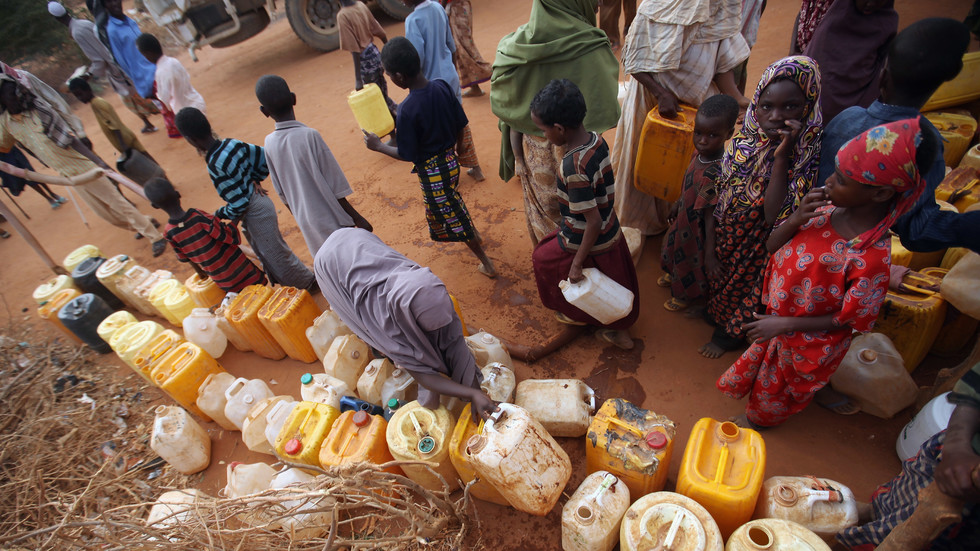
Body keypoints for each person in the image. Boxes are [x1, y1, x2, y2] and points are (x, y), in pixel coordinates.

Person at [717, 118, 933, 429]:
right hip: (777, 320)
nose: (829, 182)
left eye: (842, 180)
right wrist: (795, 218)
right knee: (780, 374)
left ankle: (759, 420)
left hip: (806, 338)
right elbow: (771, 245)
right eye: (835, 172)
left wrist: (785, 324)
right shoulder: (823, 209)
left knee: (779, 386)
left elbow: (850, 320)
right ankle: (807, 391)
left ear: (880, 194)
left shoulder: (869, 258)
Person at [817, 18, 980, 256]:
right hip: (850, 257)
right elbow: (915, 230)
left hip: (806, 237)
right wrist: (966, 228)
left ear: (883, 76)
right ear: (953, 74)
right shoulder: (922, 146)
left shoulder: (847, 118)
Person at [701, 56, 823, 359]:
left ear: (808, 105)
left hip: (756, 248)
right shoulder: (744, 142)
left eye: (790, 107)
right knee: (719, 280)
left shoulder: (803, 156)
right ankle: (714, 316)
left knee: (742, 291)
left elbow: (772, 218)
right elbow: (720, 192)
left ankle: (726, 336)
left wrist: (782, 156)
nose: (775, 116)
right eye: (766, 106)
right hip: (726, 230)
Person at [314, 227, 498, 422]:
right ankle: (382, 349)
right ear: (409, 321)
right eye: (431, 331)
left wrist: (476, 390)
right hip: (331, 266)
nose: (439, 333)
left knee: (429, 340)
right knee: (376, 335)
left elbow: (453, 340)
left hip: (358, 240)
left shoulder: (431, 290)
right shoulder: (390, 324)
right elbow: (425, 377)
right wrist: (471, 394)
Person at [612, 0, 750, 240]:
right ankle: (643, 226)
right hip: (653, 103)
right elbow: (634, 60)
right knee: (645, 164)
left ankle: (681, 227)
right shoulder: (655, 7)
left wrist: (737, 99)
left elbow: (721, 64)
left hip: (699, 109)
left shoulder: (719, 6)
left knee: (692, 172)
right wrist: (660, 93)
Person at [363, 37, 496, 278]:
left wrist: (378, 146)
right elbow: (460, 122)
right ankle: (473, 233)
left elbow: (407, 153)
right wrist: (454, 150)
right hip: (451, 162)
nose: (391, 80)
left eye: (390, 75)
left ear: (400, 77)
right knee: (453, 203)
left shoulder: (406, 109)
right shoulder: (441, 86)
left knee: (452, 214)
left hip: (433, 173)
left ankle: (486, 262)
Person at [491, 0, 620, 245]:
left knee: (546, 209)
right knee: (585, 206)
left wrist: (519, 158)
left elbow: (508, 105)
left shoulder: (517, 46)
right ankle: (579, 258)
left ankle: (553, 257)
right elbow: (604, 100)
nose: (597, 4)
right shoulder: (593, 44)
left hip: (536, 152)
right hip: (581, 148)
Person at [0, 75, 166, 256]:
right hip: (67, 175)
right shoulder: (6, 123)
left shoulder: (39, 111)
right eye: (9, 95)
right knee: (106, 215)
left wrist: (98, 162)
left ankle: (155, 236)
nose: (15, 96)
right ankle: (145, 222)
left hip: (85, 167)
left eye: (14, 92)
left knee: (119, 205)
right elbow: (4, 146)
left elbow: (72, 140)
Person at [529, 79, 639, 350]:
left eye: (543, 130)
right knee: (615, 280)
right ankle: (620, 332)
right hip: (610, 228)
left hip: (588, 234)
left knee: (542, 258)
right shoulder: (596, 140)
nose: (544, 136)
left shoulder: (572, 166)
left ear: (558, 129)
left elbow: (591, 221)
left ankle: (577, 313)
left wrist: (577, 264)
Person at [837, 361, 980, 548]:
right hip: (961, 451)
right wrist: (957, 446)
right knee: (904, 496)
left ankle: (866, 538)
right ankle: (874, 514)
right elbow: (972, 393)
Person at [174, 107, 317, 291]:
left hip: (254, 210)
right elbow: (262, 158)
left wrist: (220, 214)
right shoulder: (230, 144)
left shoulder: (215, 164)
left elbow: (239, 203)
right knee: (269, 251)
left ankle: (309, 284)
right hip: (260, 203)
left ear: (190, 140)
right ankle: (299, 284)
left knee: (276, 254)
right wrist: (254, 178)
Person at [255, 75, 373, 258]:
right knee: (354, 259)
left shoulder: (269, 143)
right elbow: (336, 186)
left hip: (308, 225)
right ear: (294, 98)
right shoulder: (310, 136)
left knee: (333, 266)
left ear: (264, 111)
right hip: (334, 219)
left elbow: (282, 194)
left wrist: (303, 219)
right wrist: (357, 218)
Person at [659, 94, 739, 313]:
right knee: (672, 247)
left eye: (712, 135)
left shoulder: (714, 171)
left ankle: (684, 296)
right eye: (699, 133)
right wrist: (678, 202)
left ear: (728, 134)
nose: (702, 140)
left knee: (688, 262)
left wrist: (710, 253)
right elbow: (688, 181)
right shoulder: (699, 153)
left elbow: (709, 214)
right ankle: (671, 273)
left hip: (695, 229)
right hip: (683, 216)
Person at [403, 0, 484, 181]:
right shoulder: (437, 7)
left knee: (438, 127)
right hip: (449, 75)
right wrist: (452, 70)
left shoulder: (412, 20)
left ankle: (447, 173)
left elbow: (417, 59)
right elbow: (451, 44)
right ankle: (475, 167)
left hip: (430, 84)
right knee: (459, 121)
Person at [49, 1, 158, 134]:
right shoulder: (83, 23)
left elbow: (98, 60)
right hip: (116, 66)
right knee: (134, 96)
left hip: (115, 69)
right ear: (67, 11)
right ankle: (150, 120)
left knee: (134, 97)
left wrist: (88, 75)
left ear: (56, 19)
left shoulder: (78, 32)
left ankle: (157, 116)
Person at [144, 177, 267, 292]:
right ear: (178, 194)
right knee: (261, 292)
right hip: (240, 269)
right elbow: (227, 235)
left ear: (154, 206)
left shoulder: (169, 233)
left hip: (221, 279)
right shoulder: (198, 217)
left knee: (244, 304)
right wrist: (238, 216)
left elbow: (185, 258)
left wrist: (202, 274)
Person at [803, 0, 898, 122]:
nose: (870, 3)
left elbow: (882, 65)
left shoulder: (888, 22)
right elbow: (817, 55)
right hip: (820, 92)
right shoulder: (835, 18)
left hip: (859, 97)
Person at [68, 78, 157, 164]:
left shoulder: (98, 104)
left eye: (80, 94)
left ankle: (161, 175)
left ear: (88, 90)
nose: (80, 98)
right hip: (124, 138)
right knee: (143, 158)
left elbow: (114, 125)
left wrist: (123, 145)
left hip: (124, 139)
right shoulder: (95, 104)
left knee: (144, 159)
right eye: (77, 96)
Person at [337, 0, 397, 118]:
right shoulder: (360, 5)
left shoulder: (342, 16)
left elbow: (355, 49)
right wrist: (388, 48)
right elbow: (377, 28)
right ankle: (396, 127)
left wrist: (358, 79)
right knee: (382, 94)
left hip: (365, 62)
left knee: (378, 99)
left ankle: (397, 127)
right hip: (375, 54)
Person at [135, 33, 206, 119]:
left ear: (148, 54)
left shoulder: (160, 72)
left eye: (144, 55)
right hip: (197, 102)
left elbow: (164, 98)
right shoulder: (173, 61)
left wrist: (157, 94)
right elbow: (186, 77)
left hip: (186, 113)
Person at [442, 0, 491, 97]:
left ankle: (492, 71)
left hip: (456, 8)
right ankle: (475, 87)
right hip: (460, 7)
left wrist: (442, 10)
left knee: (462, 47)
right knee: (462, 48)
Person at [0, 147, 67, 209]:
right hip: (2, 160)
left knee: (30, 172)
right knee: (24, 177)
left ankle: (52, 194)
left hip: (10, 150)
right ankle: (48, 198)